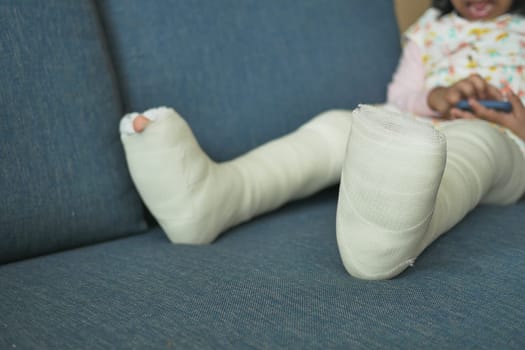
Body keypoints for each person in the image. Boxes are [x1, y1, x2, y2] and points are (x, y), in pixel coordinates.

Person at [119, 0, 525, 280]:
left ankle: (392, 236)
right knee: (337, 126)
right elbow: (399, 96)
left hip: (503, 140)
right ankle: (211, 196)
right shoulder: (429, 33)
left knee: (472, 145)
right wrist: (434, 97)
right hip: (413, 126)